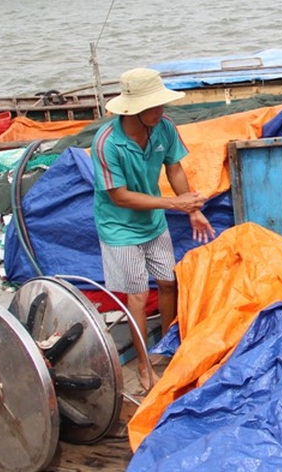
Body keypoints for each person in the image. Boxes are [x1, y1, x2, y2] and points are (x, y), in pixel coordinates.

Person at [91, 68, 214, 389]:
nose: (162, 111)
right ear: (134, 110)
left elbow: (174, 168)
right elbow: (119, 197)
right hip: (120, 228)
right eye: (155, 107)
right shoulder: (107, 143)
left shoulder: (164, 127)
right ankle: (145, 367)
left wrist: (193, 209)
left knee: (168, 281)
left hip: (154, 222)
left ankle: (168, 346)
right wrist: (175, 205)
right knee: (138, 295)